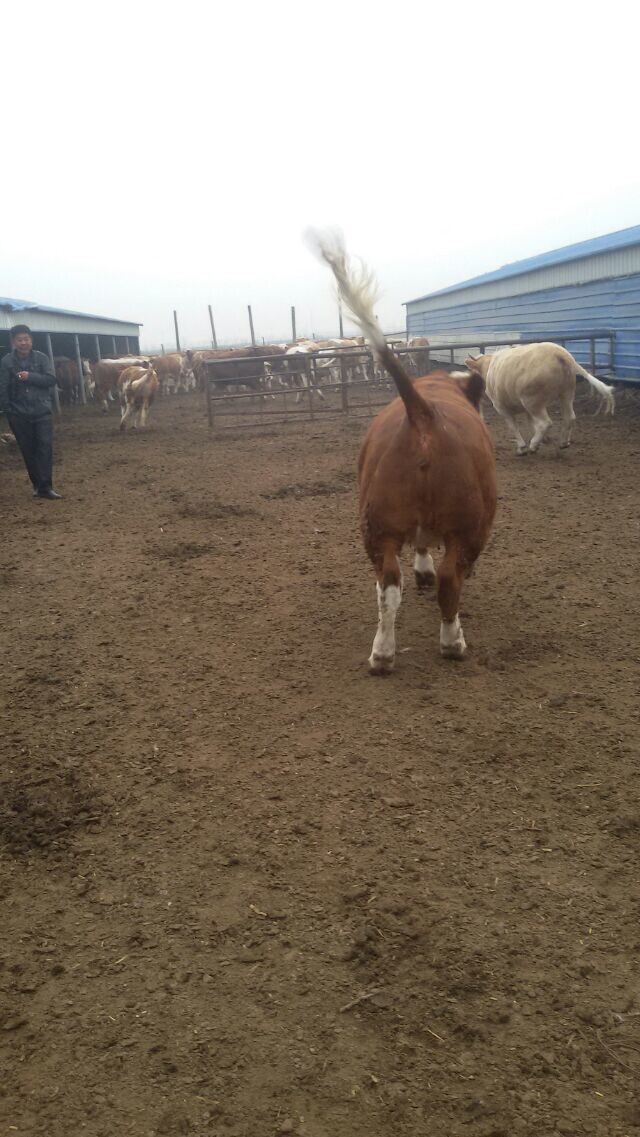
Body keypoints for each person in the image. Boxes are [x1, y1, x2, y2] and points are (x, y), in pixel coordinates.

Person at [0, 324, 62, 499]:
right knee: (28, 450)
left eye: (26, 339)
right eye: (20, 340)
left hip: (41, 411)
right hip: (18, 413)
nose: (23, 343)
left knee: (44, 447)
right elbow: (2, 387)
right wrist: (8, 410)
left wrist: (30, 376)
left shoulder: (42, 358)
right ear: (14, 342)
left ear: (31, 340)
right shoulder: (6, 362)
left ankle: (46, 487)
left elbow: (51, 380)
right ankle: (37, 485)